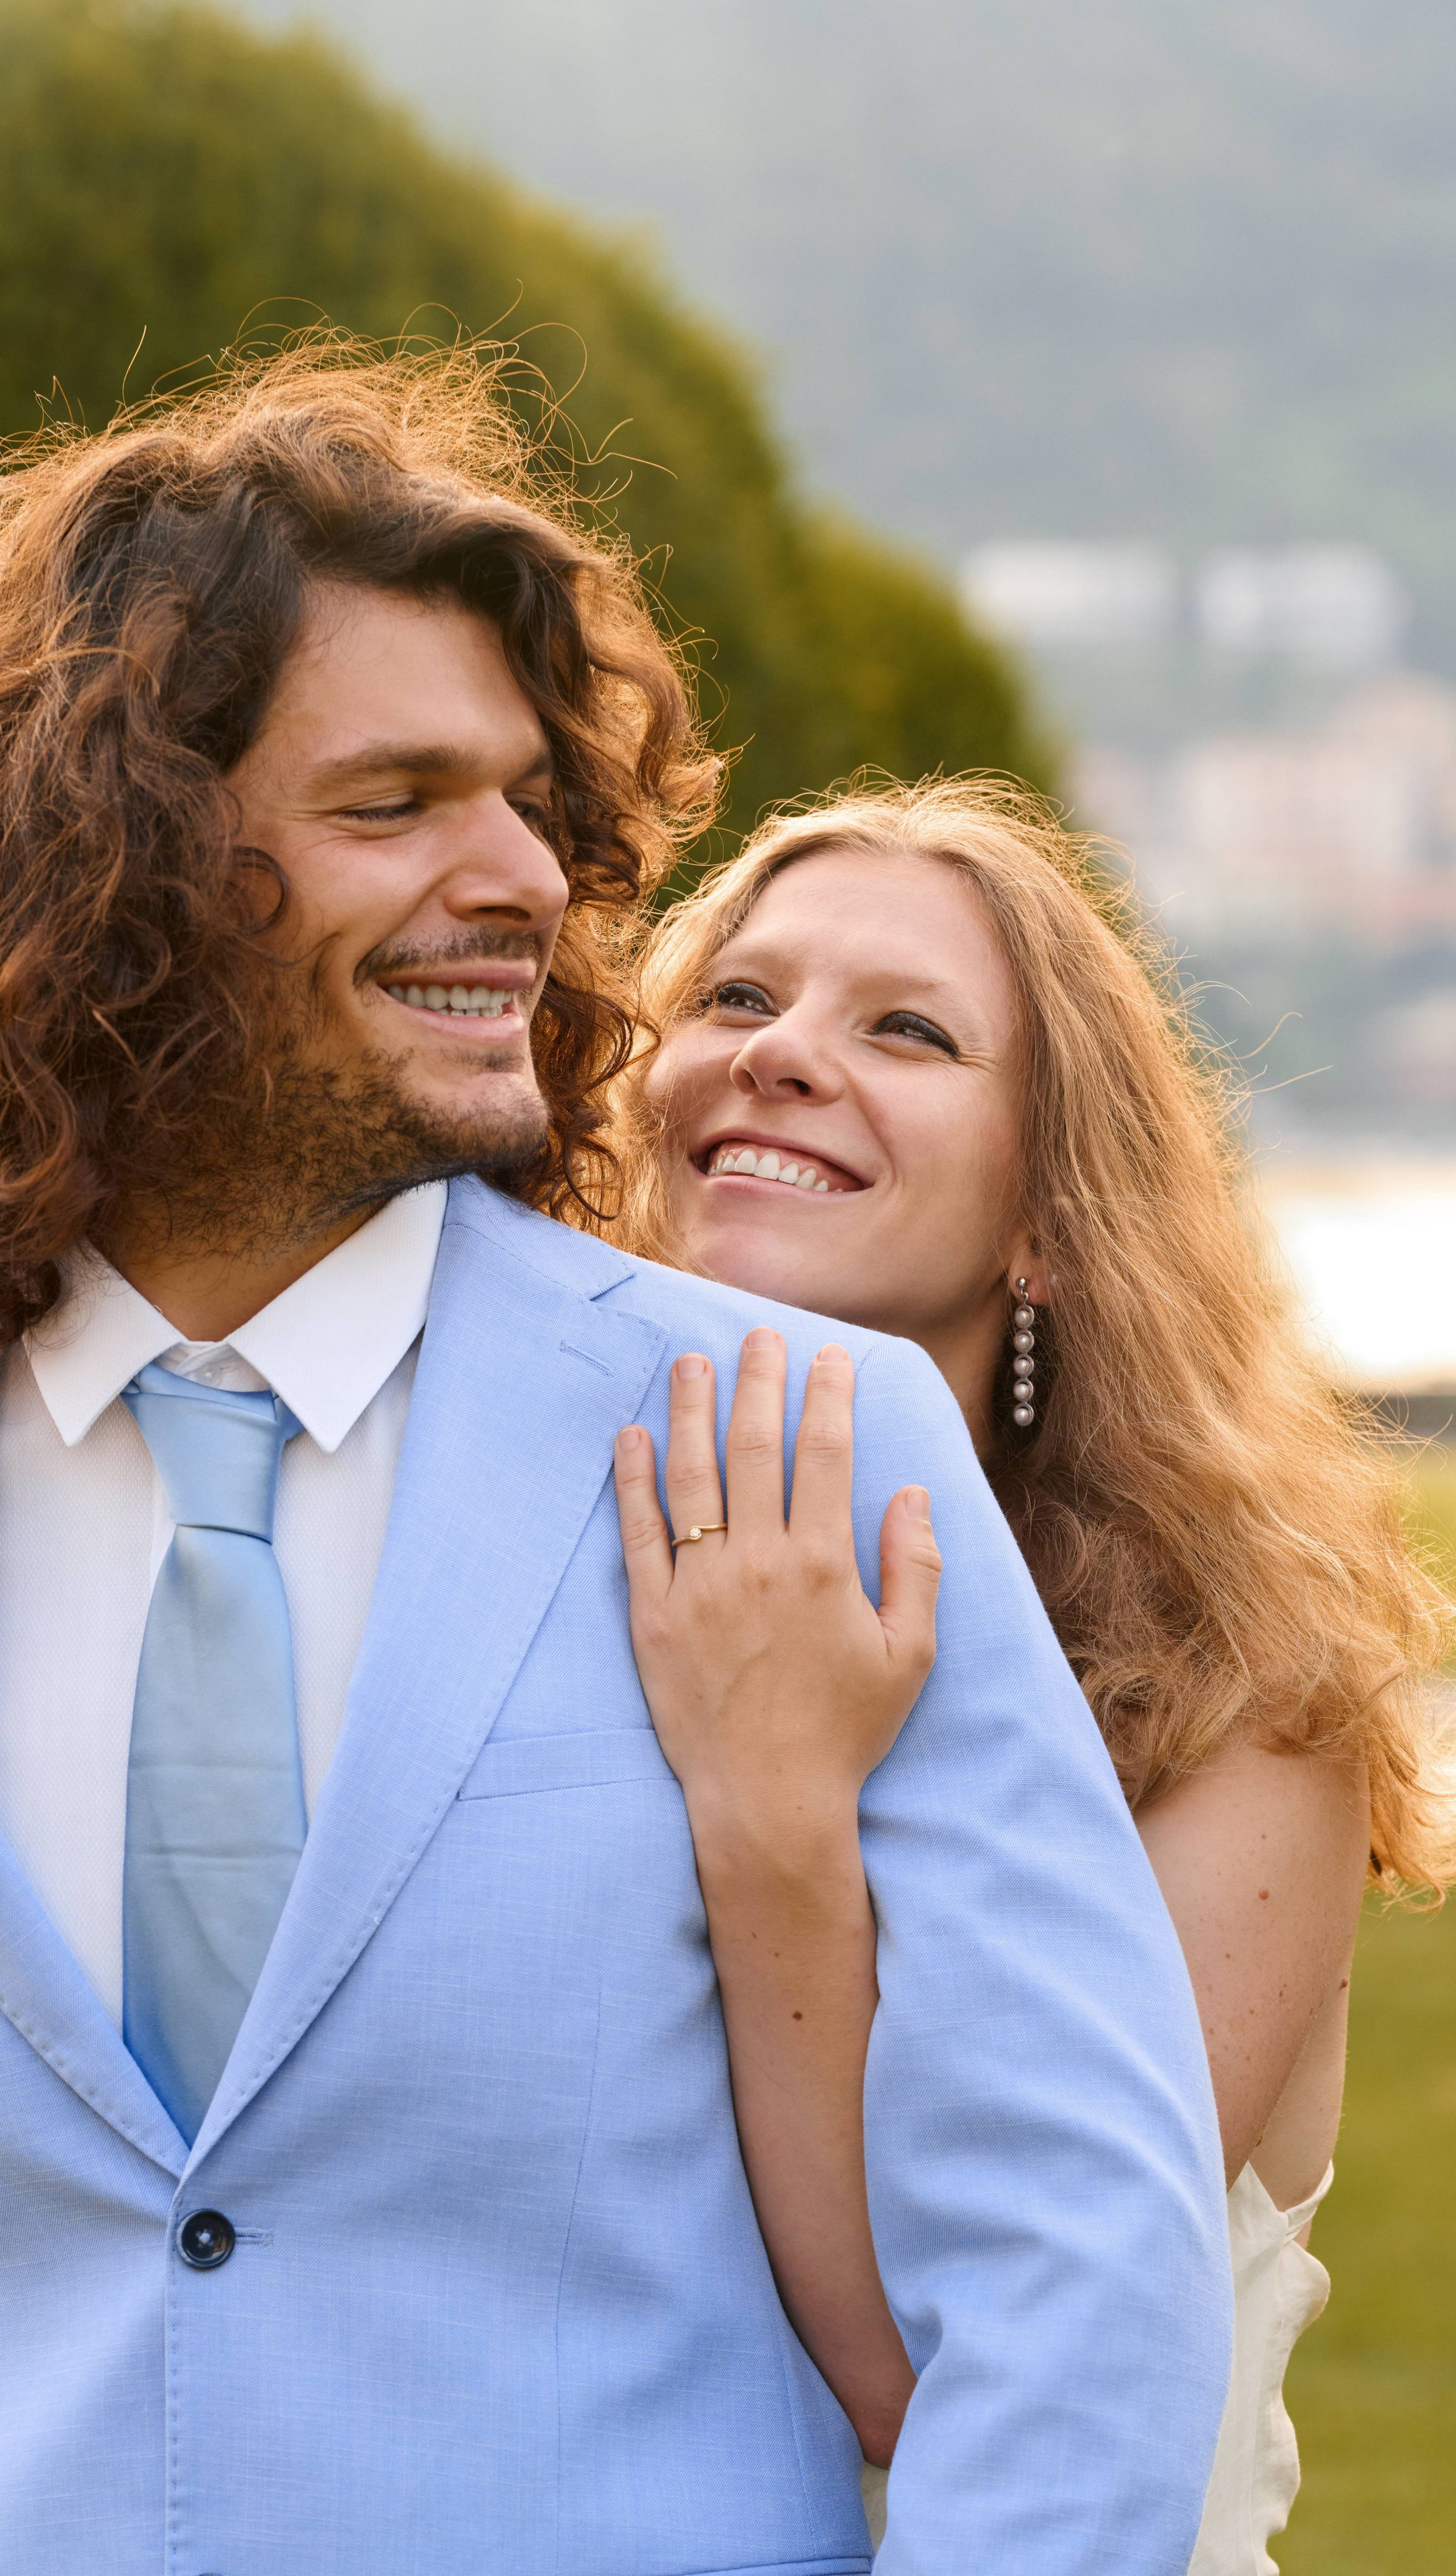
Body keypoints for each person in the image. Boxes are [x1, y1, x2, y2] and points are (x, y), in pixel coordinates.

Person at [0, 345, 1230, 2576]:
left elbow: (1076, 2288)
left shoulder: (804, 1443)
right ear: (119, 869)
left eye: (530, 797)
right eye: (393, 804)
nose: (522, 877)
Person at [613, 777, 1454, 2569]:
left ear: (1047, 1224)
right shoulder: (539, 1589)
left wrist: (775, 1820)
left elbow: (977, 2361)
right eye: (738, 999)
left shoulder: (1244, 1699)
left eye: (904, 1030)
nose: (779, 1054)